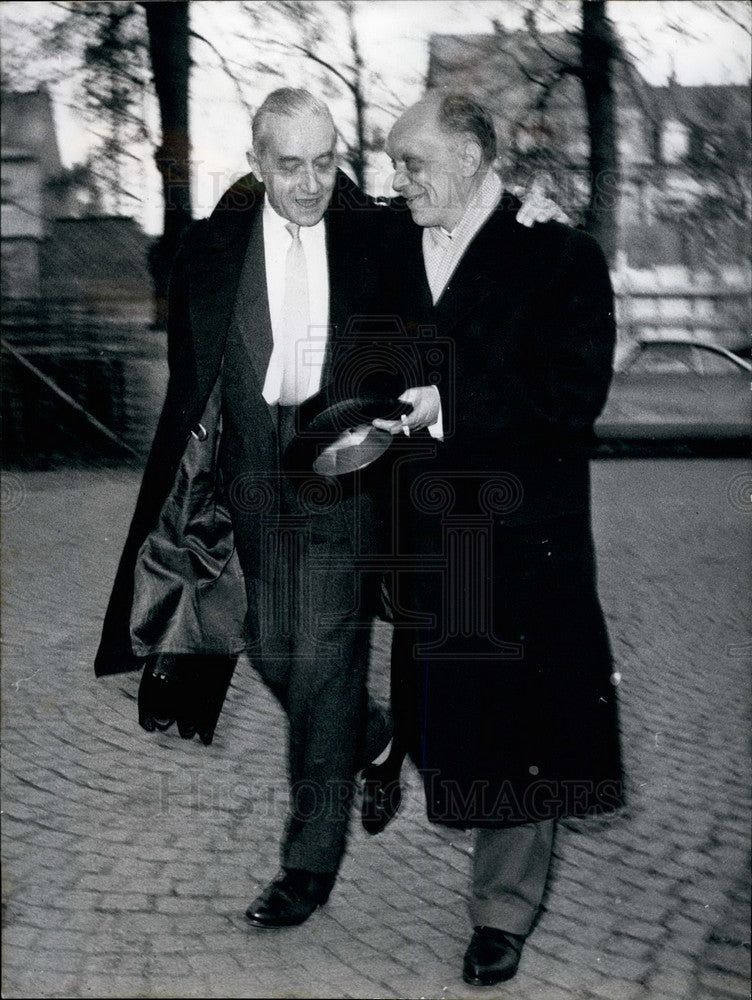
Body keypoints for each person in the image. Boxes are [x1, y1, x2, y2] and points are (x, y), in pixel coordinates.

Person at [94, 85, 564, 933]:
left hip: (342, 483)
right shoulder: (209, 250)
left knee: (319, 664)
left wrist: (530, 216)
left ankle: (306, 867)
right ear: (256, 163)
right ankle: (373, 736)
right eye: (290, 166)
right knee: (270, 650)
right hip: (242, 484)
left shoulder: (377, 235)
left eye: (325, 162)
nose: (310, 184)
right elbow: (193, 381)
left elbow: (466, 228)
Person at [363, 91, 625, 986]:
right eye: (393, 163)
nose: (398, 180)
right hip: (423, 532)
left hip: (520, 538)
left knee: (521, 726)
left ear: (472, 156)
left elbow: (572, 396)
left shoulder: (560, 255)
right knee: (446, 718)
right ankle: (387, 748)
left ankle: (501, 912)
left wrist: (450, 406)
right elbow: (303, 213)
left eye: (412, 162)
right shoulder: (393, 240)